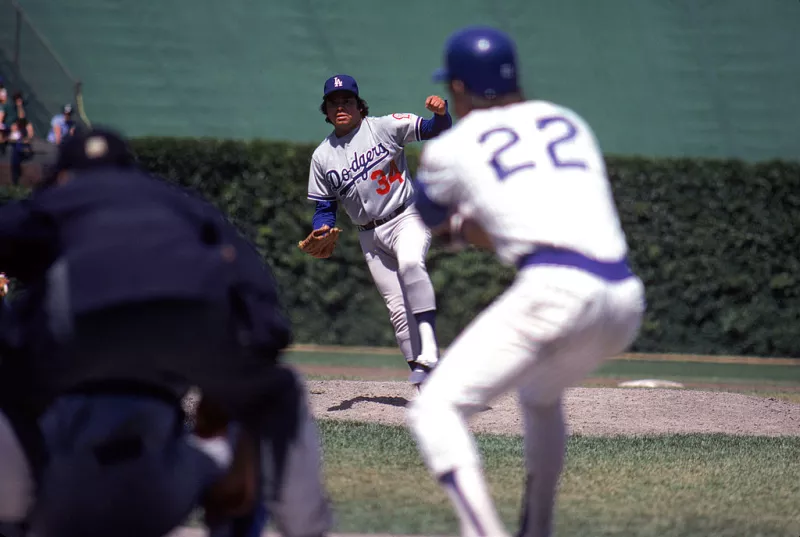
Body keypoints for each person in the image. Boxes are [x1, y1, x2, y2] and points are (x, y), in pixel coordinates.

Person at [0, 127, 330, 537]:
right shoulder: (177, 202)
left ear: (62, 176)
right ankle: (294, 528)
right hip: (196, 321)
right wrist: (243, 373)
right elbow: (254, 289)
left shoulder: (59, 199)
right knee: (276, 393)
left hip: (82, 338)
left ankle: (11, 516)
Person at [406, 26, 646, 537]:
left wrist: (459, 230)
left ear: (459, 88)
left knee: (435, 410)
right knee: (539, 394)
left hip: (556, 291)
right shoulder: (567, 121)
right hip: (623, 296)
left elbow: (429, 216)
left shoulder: (454, 145)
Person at [301, 74, 453, 387]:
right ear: (326, 111)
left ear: (359, 106)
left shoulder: (384, 127)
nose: (341, 106)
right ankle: (428, 382)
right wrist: (322, 228)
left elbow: (435, 129)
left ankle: (430, 354)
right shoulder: (322, 156)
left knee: (411, 264)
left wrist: (441, 113)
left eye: (347, 101)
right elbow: (325, 207)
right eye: (334, 102)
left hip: (407, 216)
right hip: (369, 236)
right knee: (398, 310)